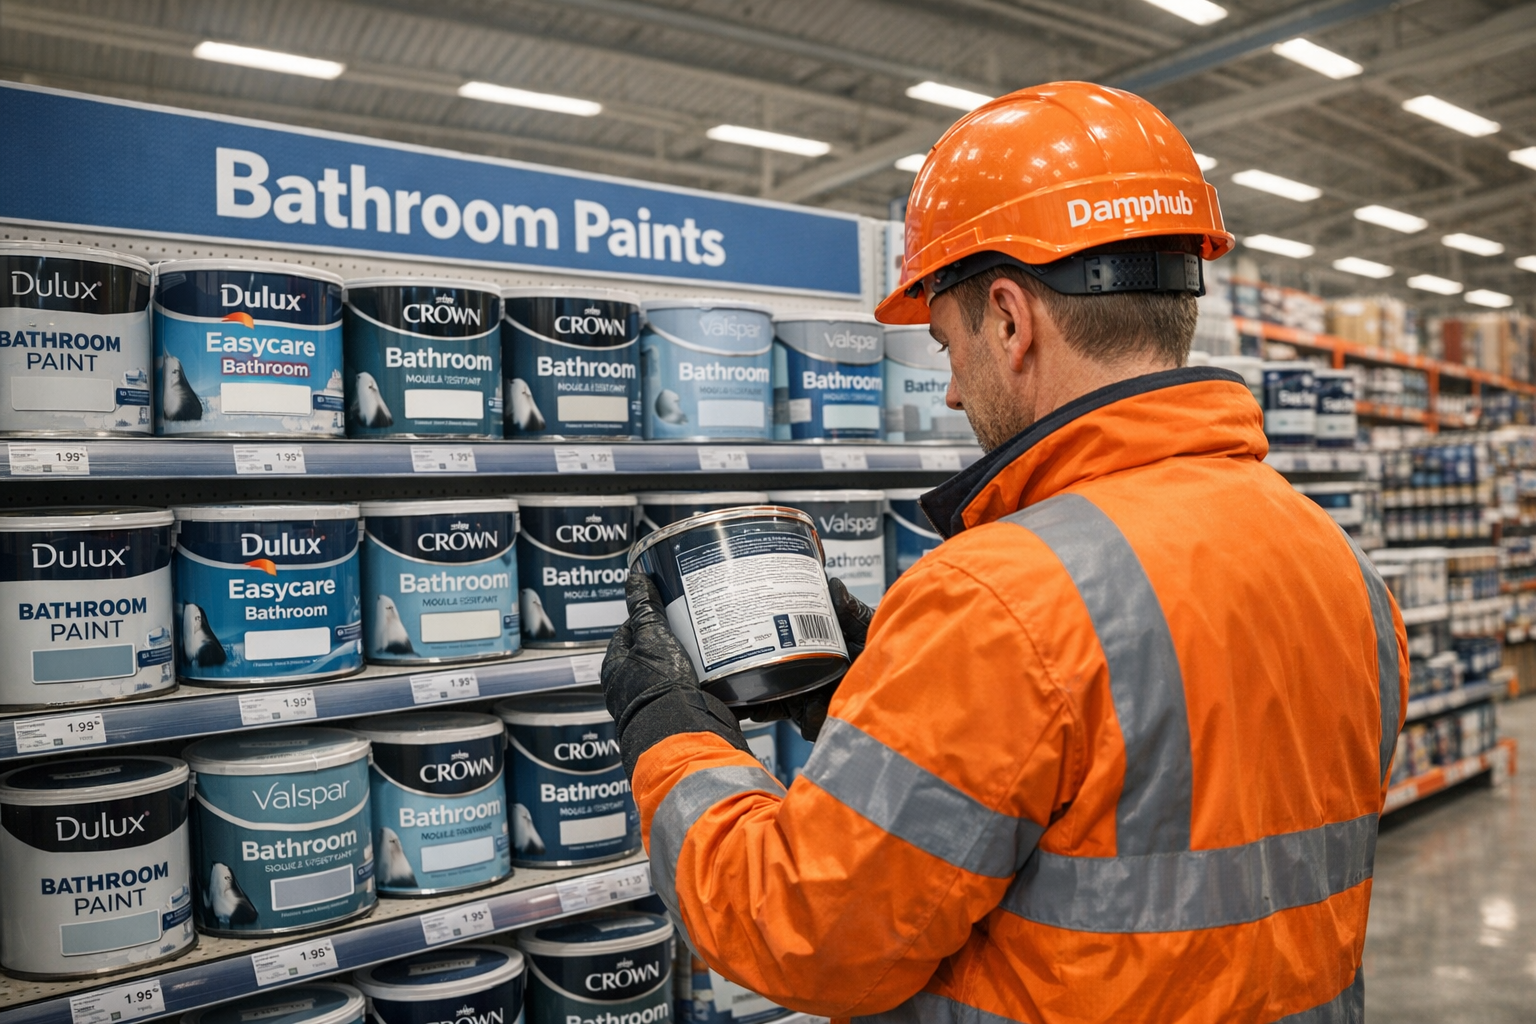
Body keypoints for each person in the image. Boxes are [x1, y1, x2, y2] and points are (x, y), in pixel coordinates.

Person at [601, 81, 1407, 1024]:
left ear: (1012, 319)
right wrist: (887, 700)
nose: (949, 393)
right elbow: (1154, 798)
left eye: (946, 345)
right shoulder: (1334, 559)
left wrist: (675, 738)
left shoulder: (1002, 597)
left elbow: (806, 936)